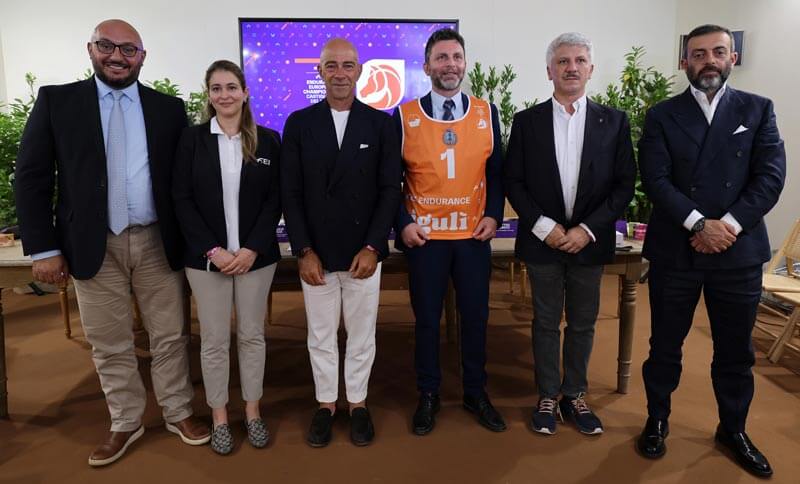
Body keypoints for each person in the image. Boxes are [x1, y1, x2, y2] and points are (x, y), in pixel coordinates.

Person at [14, 19, 209, 466]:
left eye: (128, 49)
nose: (117, 57)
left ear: (142, 57)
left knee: (171, 336)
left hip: (157, 240)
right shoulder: (57, 101)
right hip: (90, 243)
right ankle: (125, 420)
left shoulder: (169, 108)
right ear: (91, 49)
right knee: (108, 341)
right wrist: (44, 248)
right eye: (107, 46)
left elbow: (185, 181)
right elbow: (32, 177)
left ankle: (178, 411)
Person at [637, 24, 785, 478]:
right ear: (685, 61)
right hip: (677, 249)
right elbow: (656, 179)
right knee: (664, 345)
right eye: (698, 54)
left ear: (732, 57)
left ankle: (733, 429)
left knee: (736, 352)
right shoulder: (662, 114)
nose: (709, 61)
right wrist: (700, 224)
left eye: (718, 52)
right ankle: (656, 419)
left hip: (737, 252)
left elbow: (770, 177)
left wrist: (728, 227)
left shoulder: (757, 109)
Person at [504, 32, 635, 436]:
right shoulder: (526, 122)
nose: (571, 68)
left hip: (588, 243)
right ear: (550, 71)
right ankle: (547, 395)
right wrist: (544, 227)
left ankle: (574, 394)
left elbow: (623, 186)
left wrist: (587, 230)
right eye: (563, 61)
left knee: (582, 323)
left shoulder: (614, 121)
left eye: (579, 61)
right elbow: (514, 181)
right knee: (545, 322)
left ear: (591, 69)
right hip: (542, 241)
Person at [280, 38, 402, 447]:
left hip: (362, 252)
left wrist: (373, 247)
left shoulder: (381, 124)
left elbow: (390, 190)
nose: (339, 73)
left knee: (362, 334)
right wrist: (303, 250)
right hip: (316, 252)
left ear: (360, 71)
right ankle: (326, 404)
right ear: (319, 71)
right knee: (320, 335)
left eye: (347, 65)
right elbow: (290, 193)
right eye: (331, 65)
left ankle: (359, 404)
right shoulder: (299, 123)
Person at [395, 28, 506, 436]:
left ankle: (476, 392)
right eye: (441, 58)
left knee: (475, 318)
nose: (450, 65)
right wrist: (403, 223)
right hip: (426, 239)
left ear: (465, 63)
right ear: (426, 66)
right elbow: (389, 181)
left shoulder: (487, 113)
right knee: (427, 320)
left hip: (472, 237)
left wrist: (494, 215)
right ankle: (428, 393)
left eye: (456, 57)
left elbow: (497, 172)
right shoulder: (404, 116)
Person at [173, 60, 282, 455]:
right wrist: (213, 250)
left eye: (231, 87)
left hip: (257, 258)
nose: (225, 95)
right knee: (215, 340)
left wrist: (252, 248)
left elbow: (275, 199)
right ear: (209, 95)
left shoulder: (268, 140)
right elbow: (181, 199)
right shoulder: (192, 140)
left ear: (245, 92)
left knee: (252, 336)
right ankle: (219, 416)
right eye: (216, 88)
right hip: (207, 262)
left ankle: (252, 412)